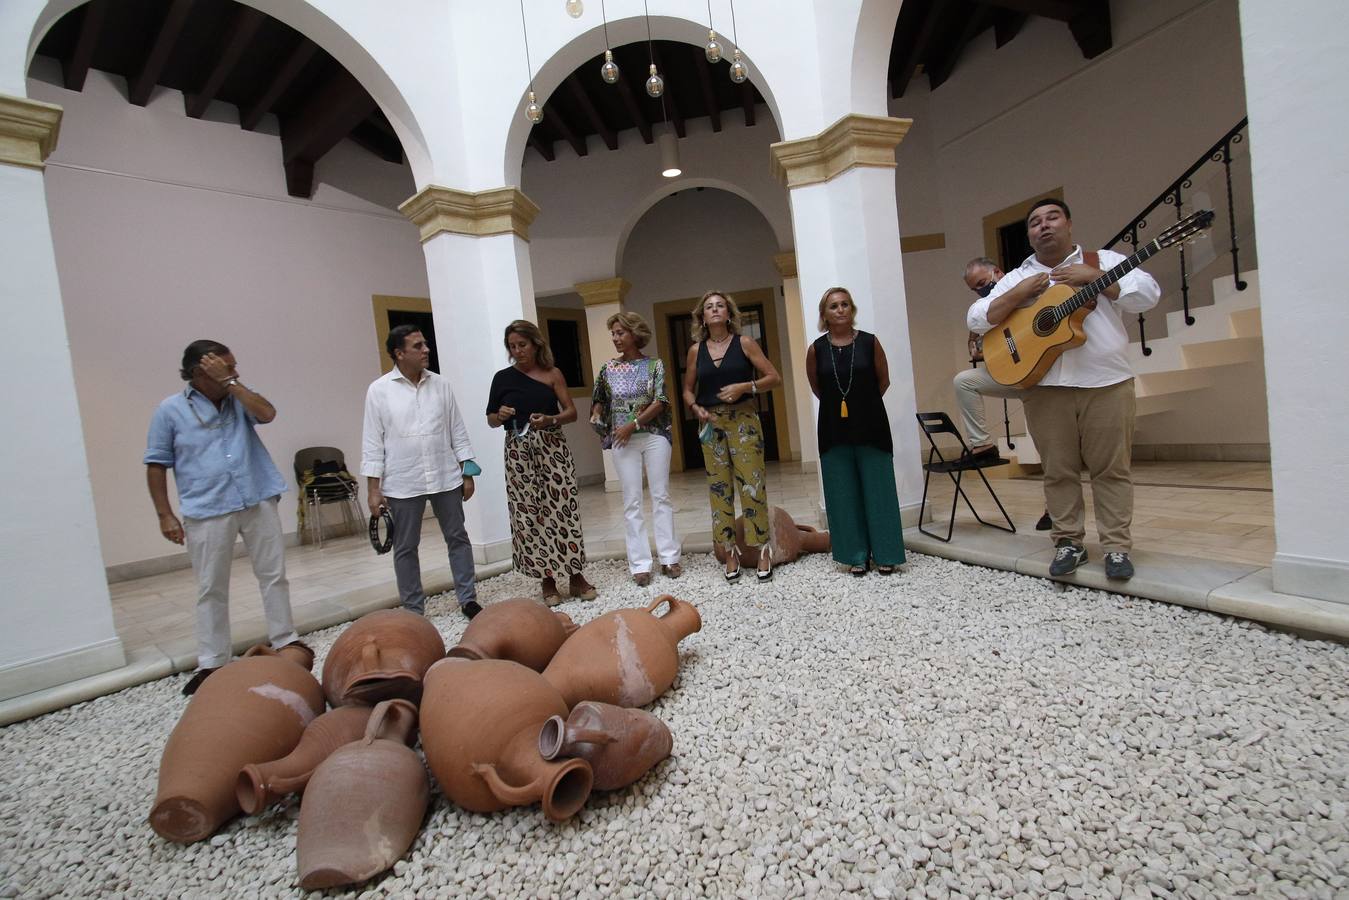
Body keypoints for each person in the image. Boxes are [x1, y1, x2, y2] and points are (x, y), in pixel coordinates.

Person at [968, 198, 1160, 580]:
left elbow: (1148, 295)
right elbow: (977, 318)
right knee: (1058, 471)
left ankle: (1117, 547)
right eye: (1035, 222)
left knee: (1112, 470)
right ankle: (1068, 542)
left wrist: (1096, 281)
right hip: (1045, 387)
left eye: (1052, 217)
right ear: (1029, 234)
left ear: (1069, 224)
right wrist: (1018, 294)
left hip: (1106, 382)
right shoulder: (1017, 276)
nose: (1044, 225)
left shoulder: (1102, 261)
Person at [144, 340, 303, 696]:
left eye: (233, 366)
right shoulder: (169, 411)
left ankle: (286, 639)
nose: (236, 372)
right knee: (210, 587)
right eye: (228, 368)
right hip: (207, 508)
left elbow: (267, 414)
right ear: (201, 371)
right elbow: (156, 464)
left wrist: (232, 383)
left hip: (257, 496)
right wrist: (164, 514)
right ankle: (213, 661)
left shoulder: (239, 398)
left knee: (273, 575)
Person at [361, 325, 482, 621]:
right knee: (405, 547)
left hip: (445, 477)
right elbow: (372, 442)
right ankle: (413, 610)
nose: (426, 349)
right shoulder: (379, 391)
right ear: (399, 354)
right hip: (402, 482)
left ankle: (468, 599)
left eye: (425, 344)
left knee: (458, 538)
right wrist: (373, 490)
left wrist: (467, 472)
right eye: (418, 346)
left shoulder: (441, 385)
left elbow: (457, 430)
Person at [486, 320, 597, 605]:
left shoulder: (552, 374)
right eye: (512, 346)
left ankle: (575, 575)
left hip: (552, 446)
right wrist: (500, 415)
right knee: (530, 513)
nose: (517, 351)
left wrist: (550, 420)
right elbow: (490, 419)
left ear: (535, 344)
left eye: (522, 345)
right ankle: (547, 579)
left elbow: (571, 412)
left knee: (563, 507)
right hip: (518, 451)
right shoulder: (501, 378)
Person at [680, 291, 782, 582]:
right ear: (702, 316)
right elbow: (688, 388)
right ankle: (729, 550)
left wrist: (744, 387)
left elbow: (773, 377)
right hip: (710, 422)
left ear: (728, 313)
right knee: (719, 488)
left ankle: (762, 547)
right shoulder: (695, 351)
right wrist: (694, 406)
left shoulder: (745, 343)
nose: (714, 310)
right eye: (709, 307)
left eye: (719, 306)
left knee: (752, 483)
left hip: (744, 420)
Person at [805, 287, 906, 576]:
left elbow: (883, 381)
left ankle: (886, 554)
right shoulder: (816, 349)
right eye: (833, 306)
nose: (840, 309)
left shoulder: (870, 343)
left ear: (852, 309)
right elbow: (817, 387)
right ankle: (855, 555)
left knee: (879, 491)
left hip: (871, 424)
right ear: (824, 314)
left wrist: (863, 404)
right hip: (834, 429)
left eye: (845, 304)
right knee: (842, 494)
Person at [955, 257, 1052, 531]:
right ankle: (982, 444)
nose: (981, 291)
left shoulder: (1028, 285)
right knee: (965, 381)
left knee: (1048, 447)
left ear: (997, 271)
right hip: (1013, 374)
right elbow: (992, 335)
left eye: (983, 284)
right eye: (975, 289)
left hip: (1042, 376)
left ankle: (1054, 508)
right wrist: (983, 351)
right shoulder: (984, 307)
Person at [590, 311, 681, 586]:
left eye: (621, 333)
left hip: (653, 435)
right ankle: (640, 564)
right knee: (631, 501)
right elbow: (599, 400)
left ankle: (669, 557)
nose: (616, 338)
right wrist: (596, 417)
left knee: (661, 496)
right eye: (614, 334)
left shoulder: (654, 365)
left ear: (635, 334)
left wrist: (633, 423)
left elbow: (661, 400)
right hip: (622, 440)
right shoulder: (608, 369)